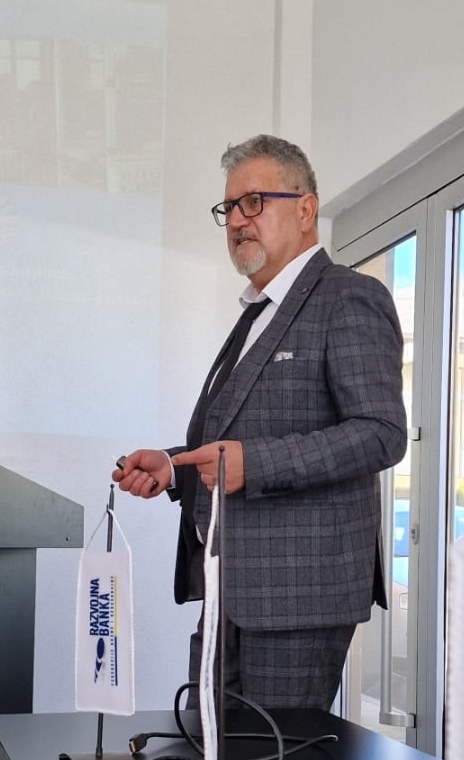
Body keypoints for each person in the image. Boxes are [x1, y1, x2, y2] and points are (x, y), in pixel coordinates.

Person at [114, 134, 407, 712]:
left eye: (254, 202)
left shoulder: (349, 298)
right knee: (207, 755)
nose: (236, 221)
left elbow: (381, 431)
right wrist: (173, 467)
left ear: (305, 209)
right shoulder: (258, 313)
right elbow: (238, 440)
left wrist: (258, 464)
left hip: (296, 599)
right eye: (229, 208)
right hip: (228, 590)